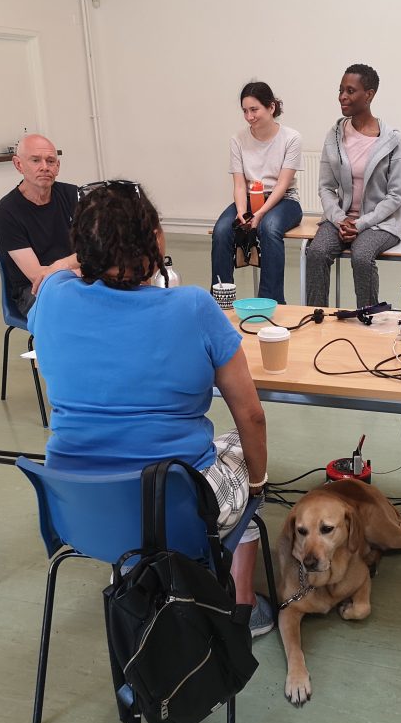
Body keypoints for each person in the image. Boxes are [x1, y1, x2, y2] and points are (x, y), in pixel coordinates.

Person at [29, 180, 275, 637]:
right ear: (156, 241)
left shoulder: (54, 297)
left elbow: (59, 271)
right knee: (242, 455)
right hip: (174, 510)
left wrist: (87, 251)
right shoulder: (194, 307)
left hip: (78, 510)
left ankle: (135, 572)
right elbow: (252, 414)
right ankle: (243, 603)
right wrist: (258, 483)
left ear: (81, 246)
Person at [305, 64, 401, 308]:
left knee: (361, 257)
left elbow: (395, 196)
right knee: (316, 253)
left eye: (350, 91)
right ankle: (317, 318)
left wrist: (359, 224)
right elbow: (326, 188)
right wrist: (340, 220)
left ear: (369, 95)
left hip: (379, 223)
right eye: (340, 90)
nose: (342, 96)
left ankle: (369, 316)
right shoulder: (335, 134)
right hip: (340, 219)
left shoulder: (391, 139)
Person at [211, 81, 303, 304]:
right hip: (250, 198)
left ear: (271, 108)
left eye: (254, 110)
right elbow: (240, 184)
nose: (249, 116)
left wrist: (259, 214)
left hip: (283, 200)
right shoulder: (238, 139)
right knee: (222, 230)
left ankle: (270, 302)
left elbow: (282, 184)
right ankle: (220, 301)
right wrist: (242, 212)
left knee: (269, 228)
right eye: (245, 111)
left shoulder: (291, 138)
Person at [0, 134, 79, 315]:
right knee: (76, 309)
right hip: (33, 291)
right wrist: (81, 266)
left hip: (77, 278)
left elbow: (100, 249)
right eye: (35, 160)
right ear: (18, 165)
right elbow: (37, 276)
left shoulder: (73, 195)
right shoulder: (7, 211)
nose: (44, 167)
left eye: (50, 161)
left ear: (57, 167)